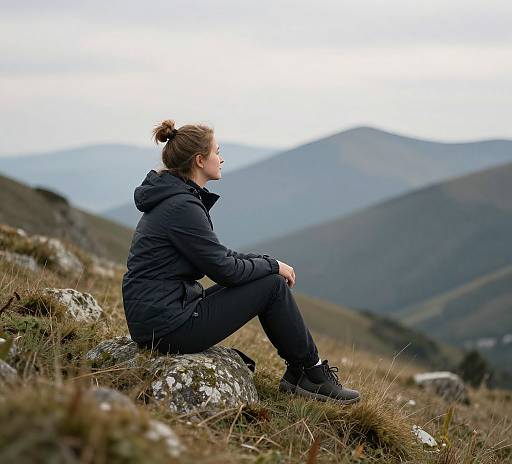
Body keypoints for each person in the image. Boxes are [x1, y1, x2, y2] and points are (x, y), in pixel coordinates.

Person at [122, 119, 360, 404]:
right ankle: (309, 373)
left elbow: (219, 256)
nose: (221, 158)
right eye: (217, 151)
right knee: (272, 286)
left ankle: (305, 372)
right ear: (199, 160)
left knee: (269, 279)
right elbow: (225, 271)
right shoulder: (181, 206)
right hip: (168, 327)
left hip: (161, 318)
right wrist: (273, 267)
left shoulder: (176, 199)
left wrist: (268, 261)